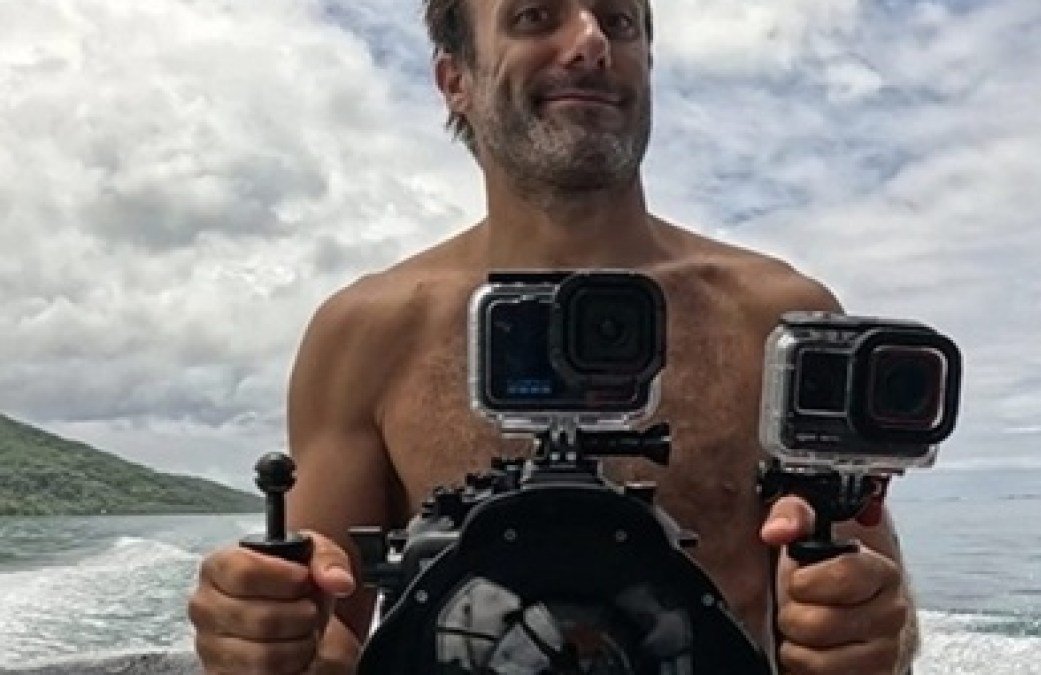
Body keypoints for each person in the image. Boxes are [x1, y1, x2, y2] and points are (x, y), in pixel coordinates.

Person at [186, 1, 918, 673]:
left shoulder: (780, 323)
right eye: (536, 16)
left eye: (621, 21)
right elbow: (332, 637)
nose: (591, 41)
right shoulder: (367, 334)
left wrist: (859, 626)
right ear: (455, 80)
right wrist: (265, 630)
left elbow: (876, 620)